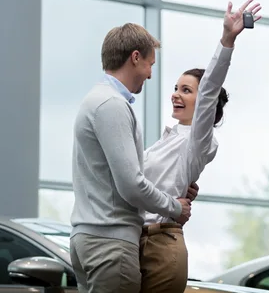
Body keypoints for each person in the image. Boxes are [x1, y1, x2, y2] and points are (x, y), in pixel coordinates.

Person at [138, 0, 262, 293]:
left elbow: (209, 91)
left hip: (162, 245)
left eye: (186, 90)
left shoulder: (198, 140)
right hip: (136, 241)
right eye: (175, 88)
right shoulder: (167, 139)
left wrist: (227, 40)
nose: (175, 95)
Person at [69, 22, 193, 293]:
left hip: (90, 239)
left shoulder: (96, 100)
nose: (149, 75)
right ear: (135, 58)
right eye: (150, 64)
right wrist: (175, 207)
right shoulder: (112, 105)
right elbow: (131, 184)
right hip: (110, 245)